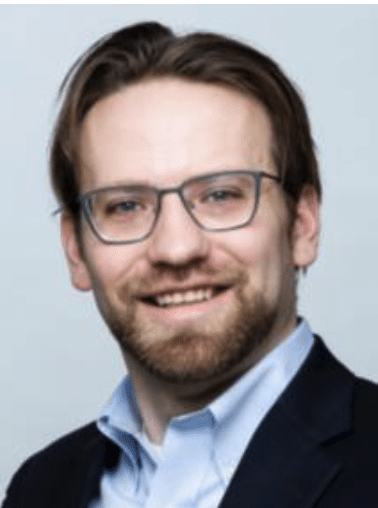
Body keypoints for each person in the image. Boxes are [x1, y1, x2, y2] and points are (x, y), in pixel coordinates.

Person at [3, 20, 378, 508]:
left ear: (302, 225)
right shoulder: (41, 488)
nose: (176, 249)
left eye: (221, 195)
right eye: (125, 205)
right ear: (76, 249)